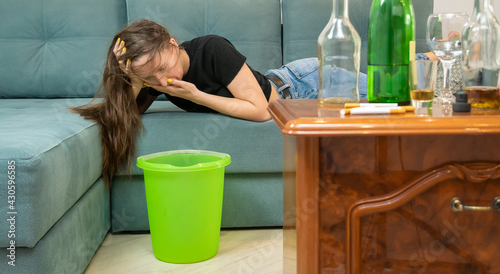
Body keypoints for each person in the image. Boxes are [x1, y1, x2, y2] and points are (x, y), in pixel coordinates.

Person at [73, 19, 426, 185]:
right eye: (149, 78)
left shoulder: (211, 49)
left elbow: (261, 111)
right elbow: (121, 117)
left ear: (172, 42)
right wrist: (134, 78)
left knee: (397, 93)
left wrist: (197, 96)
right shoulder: (154, 79)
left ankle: (430, 61)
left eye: (162, 67)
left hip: (299, 85)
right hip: (286, 88)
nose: (163, 80)